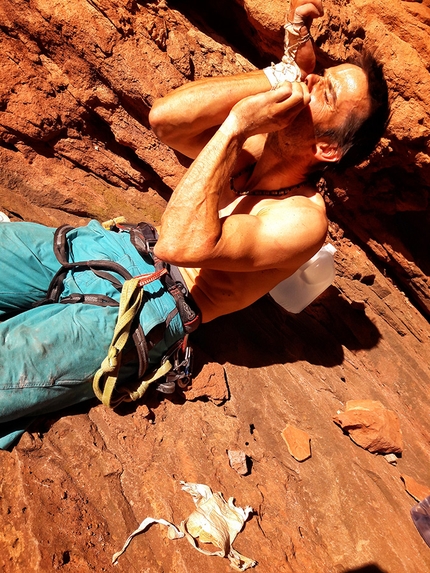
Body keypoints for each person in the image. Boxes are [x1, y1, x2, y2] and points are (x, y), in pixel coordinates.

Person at [0, 0, 389, 449]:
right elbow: (167, 119)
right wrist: (282, 72)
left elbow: (180, 245)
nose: (313, 81)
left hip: (147, 311)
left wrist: (236, 126)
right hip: (112, 248)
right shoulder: (257, 150)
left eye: (327, 94)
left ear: (326, 148)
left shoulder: (301, 220)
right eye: (321, 73)